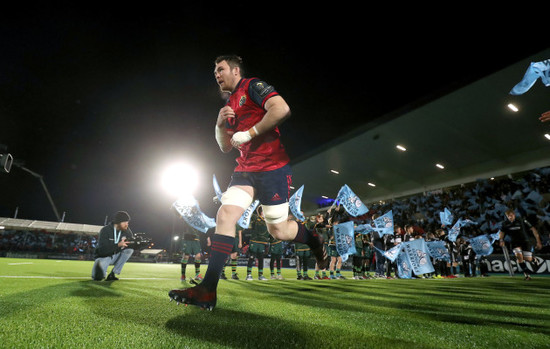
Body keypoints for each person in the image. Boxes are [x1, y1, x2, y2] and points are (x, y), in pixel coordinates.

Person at [169, 55, 328, 310]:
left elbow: (281, 108)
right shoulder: (230, 104)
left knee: (279, 231)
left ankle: (314, 241)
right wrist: (219, 124)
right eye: (214, 72)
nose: (217, 75)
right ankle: (207, 290)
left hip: (273, 168)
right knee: (225, 214)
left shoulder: (253, 85)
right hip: (245, 171)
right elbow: (224, 146)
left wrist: (251, 132)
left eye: (220, 69)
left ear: (235, 70)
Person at [498, 209, 542, 280]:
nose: (510, 217)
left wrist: (538, 241)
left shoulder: (522, 220)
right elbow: (502, 232)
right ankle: (527, 275)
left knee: (528, 259)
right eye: (508, 216)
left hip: (525, 241)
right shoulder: (505, 223)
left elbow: (533, 229)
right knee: (519, 258)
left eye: (511, 215)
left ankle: (534, 260)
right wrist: (501, 240)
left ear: (514, 215)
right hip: (514, 242)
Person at [91, 211, 134, 281]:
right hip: (104, 256)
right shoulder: (105, 230)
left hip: (116, 256)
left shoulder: (126, 230)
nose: (127, 224)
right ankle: (100, 270)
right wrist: (118, 245)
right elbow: (102, 250)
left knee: (129, 250)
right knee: (97, 278)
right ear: (119, 222)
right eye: (126, 222)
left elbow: (131, 244)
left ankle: (113, 273)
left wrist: (138, 244)